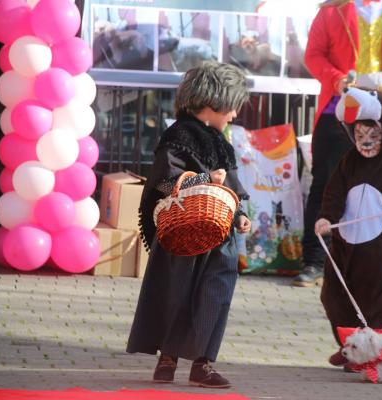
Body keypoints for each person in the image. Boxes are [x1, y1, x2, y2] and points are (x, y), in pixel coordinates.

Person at [127, 62, 251, 388]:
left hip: (219, 235)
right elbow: (164, 184)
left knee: (215, 295)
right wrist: (203, 179)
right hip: (183, 232)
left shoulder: (222, 142)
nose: (235, 115)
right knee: (176, 294)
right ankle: (167, 358)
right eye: (233, 107)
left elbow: (233, 187)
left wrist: (239, 214)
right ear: (212, 102)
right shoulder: (177, 136)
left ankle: (203, 363)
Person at [293, 0, 382, 288]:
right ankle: (314, 261)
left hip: (381, 112)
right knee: (325, 183)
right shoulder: (330, 11)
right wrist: (337, 80)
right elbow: (314, 55)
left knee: (381, 188)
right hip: (337, 110)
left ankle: (379, 265)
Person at [315, 88, 382, 368]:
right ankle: (349, 345)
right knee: (333, 295)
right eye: (359, 136)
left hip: (377, 246)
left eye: (372, 136)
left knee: (371, 301)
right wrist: (326, 217)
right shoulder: (348, 161)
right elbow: (334, 193)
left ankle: (369, 355)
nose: (366, 143)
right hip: (343, 241)